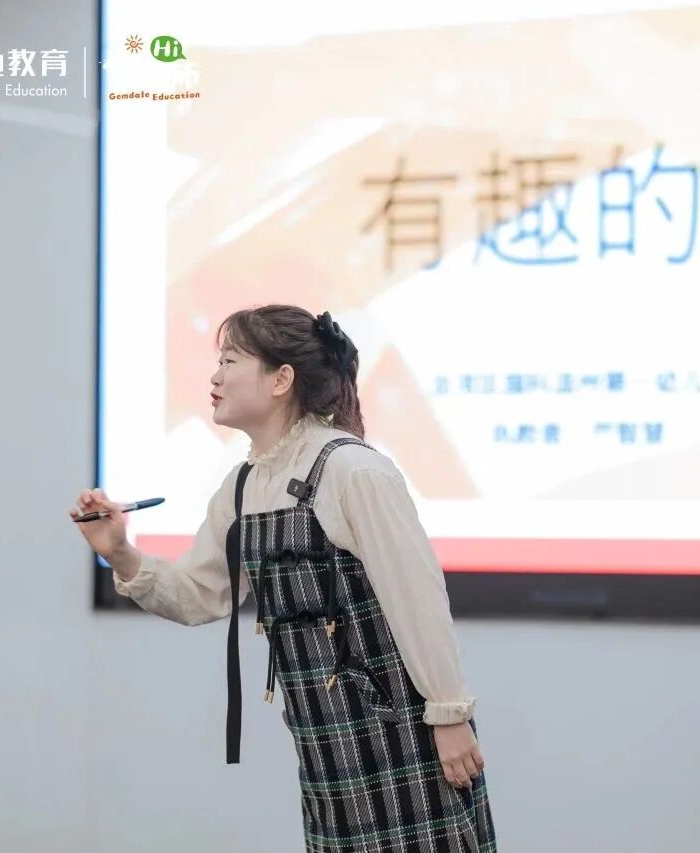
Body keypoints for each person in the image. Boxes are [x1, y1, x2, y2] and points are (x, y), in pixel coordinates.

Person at [71, 305, 496, 851]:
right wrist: (120, 552)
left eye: (230, 361)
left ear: (281, 379)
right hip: (324, 745)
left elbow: (419, 602)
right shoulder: (243, 486)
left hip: (408, 733)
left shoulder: (353, 470)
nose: (214, 377)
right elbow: (200, 596)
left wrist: (449, 713)